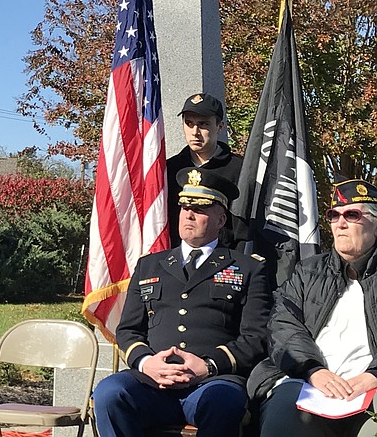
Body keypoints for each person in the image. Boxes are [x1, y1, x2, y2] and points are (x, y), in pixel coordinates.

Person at [92, 167, 272, 437]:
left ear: (221, 219)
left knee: (225, 402)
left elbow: (256, 337)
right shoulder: (150, 265)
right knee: (110, 393)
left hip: (211, 382)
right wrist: (146, 363)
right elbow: (129, 330)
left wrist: (208, 366)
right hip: (151, 383)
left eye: (199, 209)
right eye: (185, 206)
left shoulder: (247, 268)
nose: (189, 214)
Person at [247, 178, 377, 436]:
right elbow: (282, 326)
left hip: (370, 390)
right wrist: (313, 370)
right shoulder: (307, 272)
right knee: (281, 419)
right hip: (306, 381)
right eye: (333, 215)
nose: (340, 224)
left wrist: (375, 375)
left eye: (352, 215)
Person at [166, 93, 242, 248]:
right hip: (175, 261)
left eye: (203, 124)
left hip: (226, 260)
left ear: (219, 126)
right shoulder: (169, 169)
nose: (195, 132)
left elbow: (243, 225)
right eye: (189, 123)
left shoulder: (239, 169)